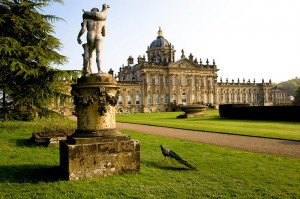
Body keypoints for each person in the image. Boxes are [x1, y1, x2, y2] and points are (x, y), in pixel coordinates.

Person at [77, 4, 110, 75]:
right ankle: (100, 70)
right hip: (99, 35)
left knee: (89, 54)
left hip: (90, 35)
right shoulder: (102, 21)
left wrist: (78, 37)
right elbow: (104, 34)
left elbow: (83, 29)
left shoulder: (86, 19)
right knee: (99, 54)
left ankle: (86, 71)